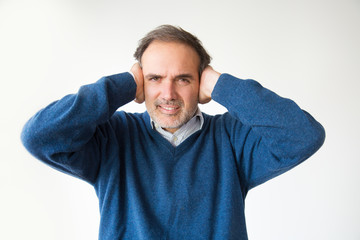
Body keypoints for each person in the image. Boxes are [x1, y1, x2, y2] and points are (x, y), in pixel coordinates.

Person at [21, 25, 325, 240]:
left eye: (183, 79)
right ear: (140, 82)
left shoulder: (232, 139)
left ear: (201, 84)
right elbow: (39, 136)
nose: (168, 93)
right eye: (154, 78)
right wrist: (122, 85)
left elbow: (304, 135)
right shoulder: (113, 137)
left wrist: (223, 86)